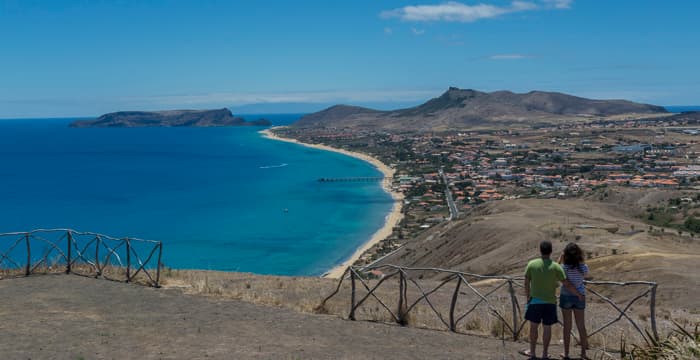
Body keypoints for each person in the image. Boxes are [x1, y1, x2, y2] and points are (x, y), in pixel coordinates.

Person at [521, 241, 583, 360]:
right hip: (550, 302)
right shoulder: (556, 266)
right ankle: (544, 354)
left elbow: (526, 281)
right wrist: (579, 294)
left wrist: (528, 296)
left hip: (534, 301)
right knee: (547, 327)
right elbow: (567, 284)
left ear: (540, 250)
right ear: (551, 251)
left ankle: (533, 353)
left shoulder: (531, 264)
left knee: (533, 327)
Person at [558, 243, 589, 360]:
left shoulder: (563, 268)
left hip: (566, 296)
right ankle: (583, 353)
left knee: (567, 326)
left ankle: (566, 353)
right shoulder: (583, 268)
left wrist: (560, 259)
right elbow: (585, 274)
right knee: (581, 325)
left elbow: (555, 270)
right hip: (580, 296)